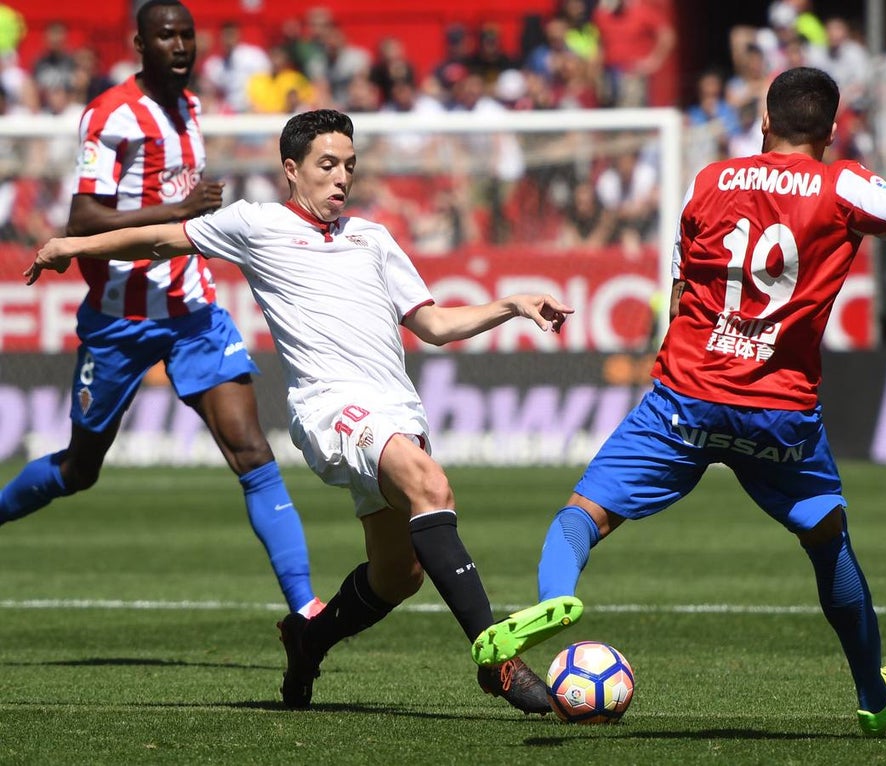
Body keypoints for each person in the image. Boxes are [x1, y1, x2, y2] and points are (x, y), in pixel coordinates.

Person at [471, 67, 886, 736]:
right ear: (829, 130)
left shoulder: (709, 181)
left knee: (581, 517)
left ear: (764, 123)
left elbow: (681, 299)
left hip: (687, 395)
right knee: (829, 544)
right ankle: (870, 693)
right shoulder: (843, 183)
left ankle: (558, 597)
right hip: (779, 413)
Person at [26, 108, 575, 715]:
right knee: (431, 485)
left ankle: (308, 637)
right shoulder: (254, 224)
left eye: (349, 166)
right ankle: (495, 658)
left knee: (399, 575)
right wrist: (70, 246)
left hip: (396, 410)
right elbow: (160, 237)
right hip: (330, 408)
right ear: (292, 170)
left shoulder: (374, 238)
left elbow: (436, 325)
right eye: (327, 165)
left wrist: (513, 304)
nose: (341, 178)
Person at [0, 0, 321, 619]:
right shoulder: (110, 114)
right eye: (166, 36)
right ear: (140, 44)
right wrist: (178, 212)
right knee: (78, 469)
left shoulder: (192, 107)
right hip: (119, 320)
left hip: (192, 311)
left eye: (187, 35)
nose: (180, 45)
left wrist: (188, 219)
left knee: (252, 452)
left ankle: (306, 611)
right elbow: (83, 220)